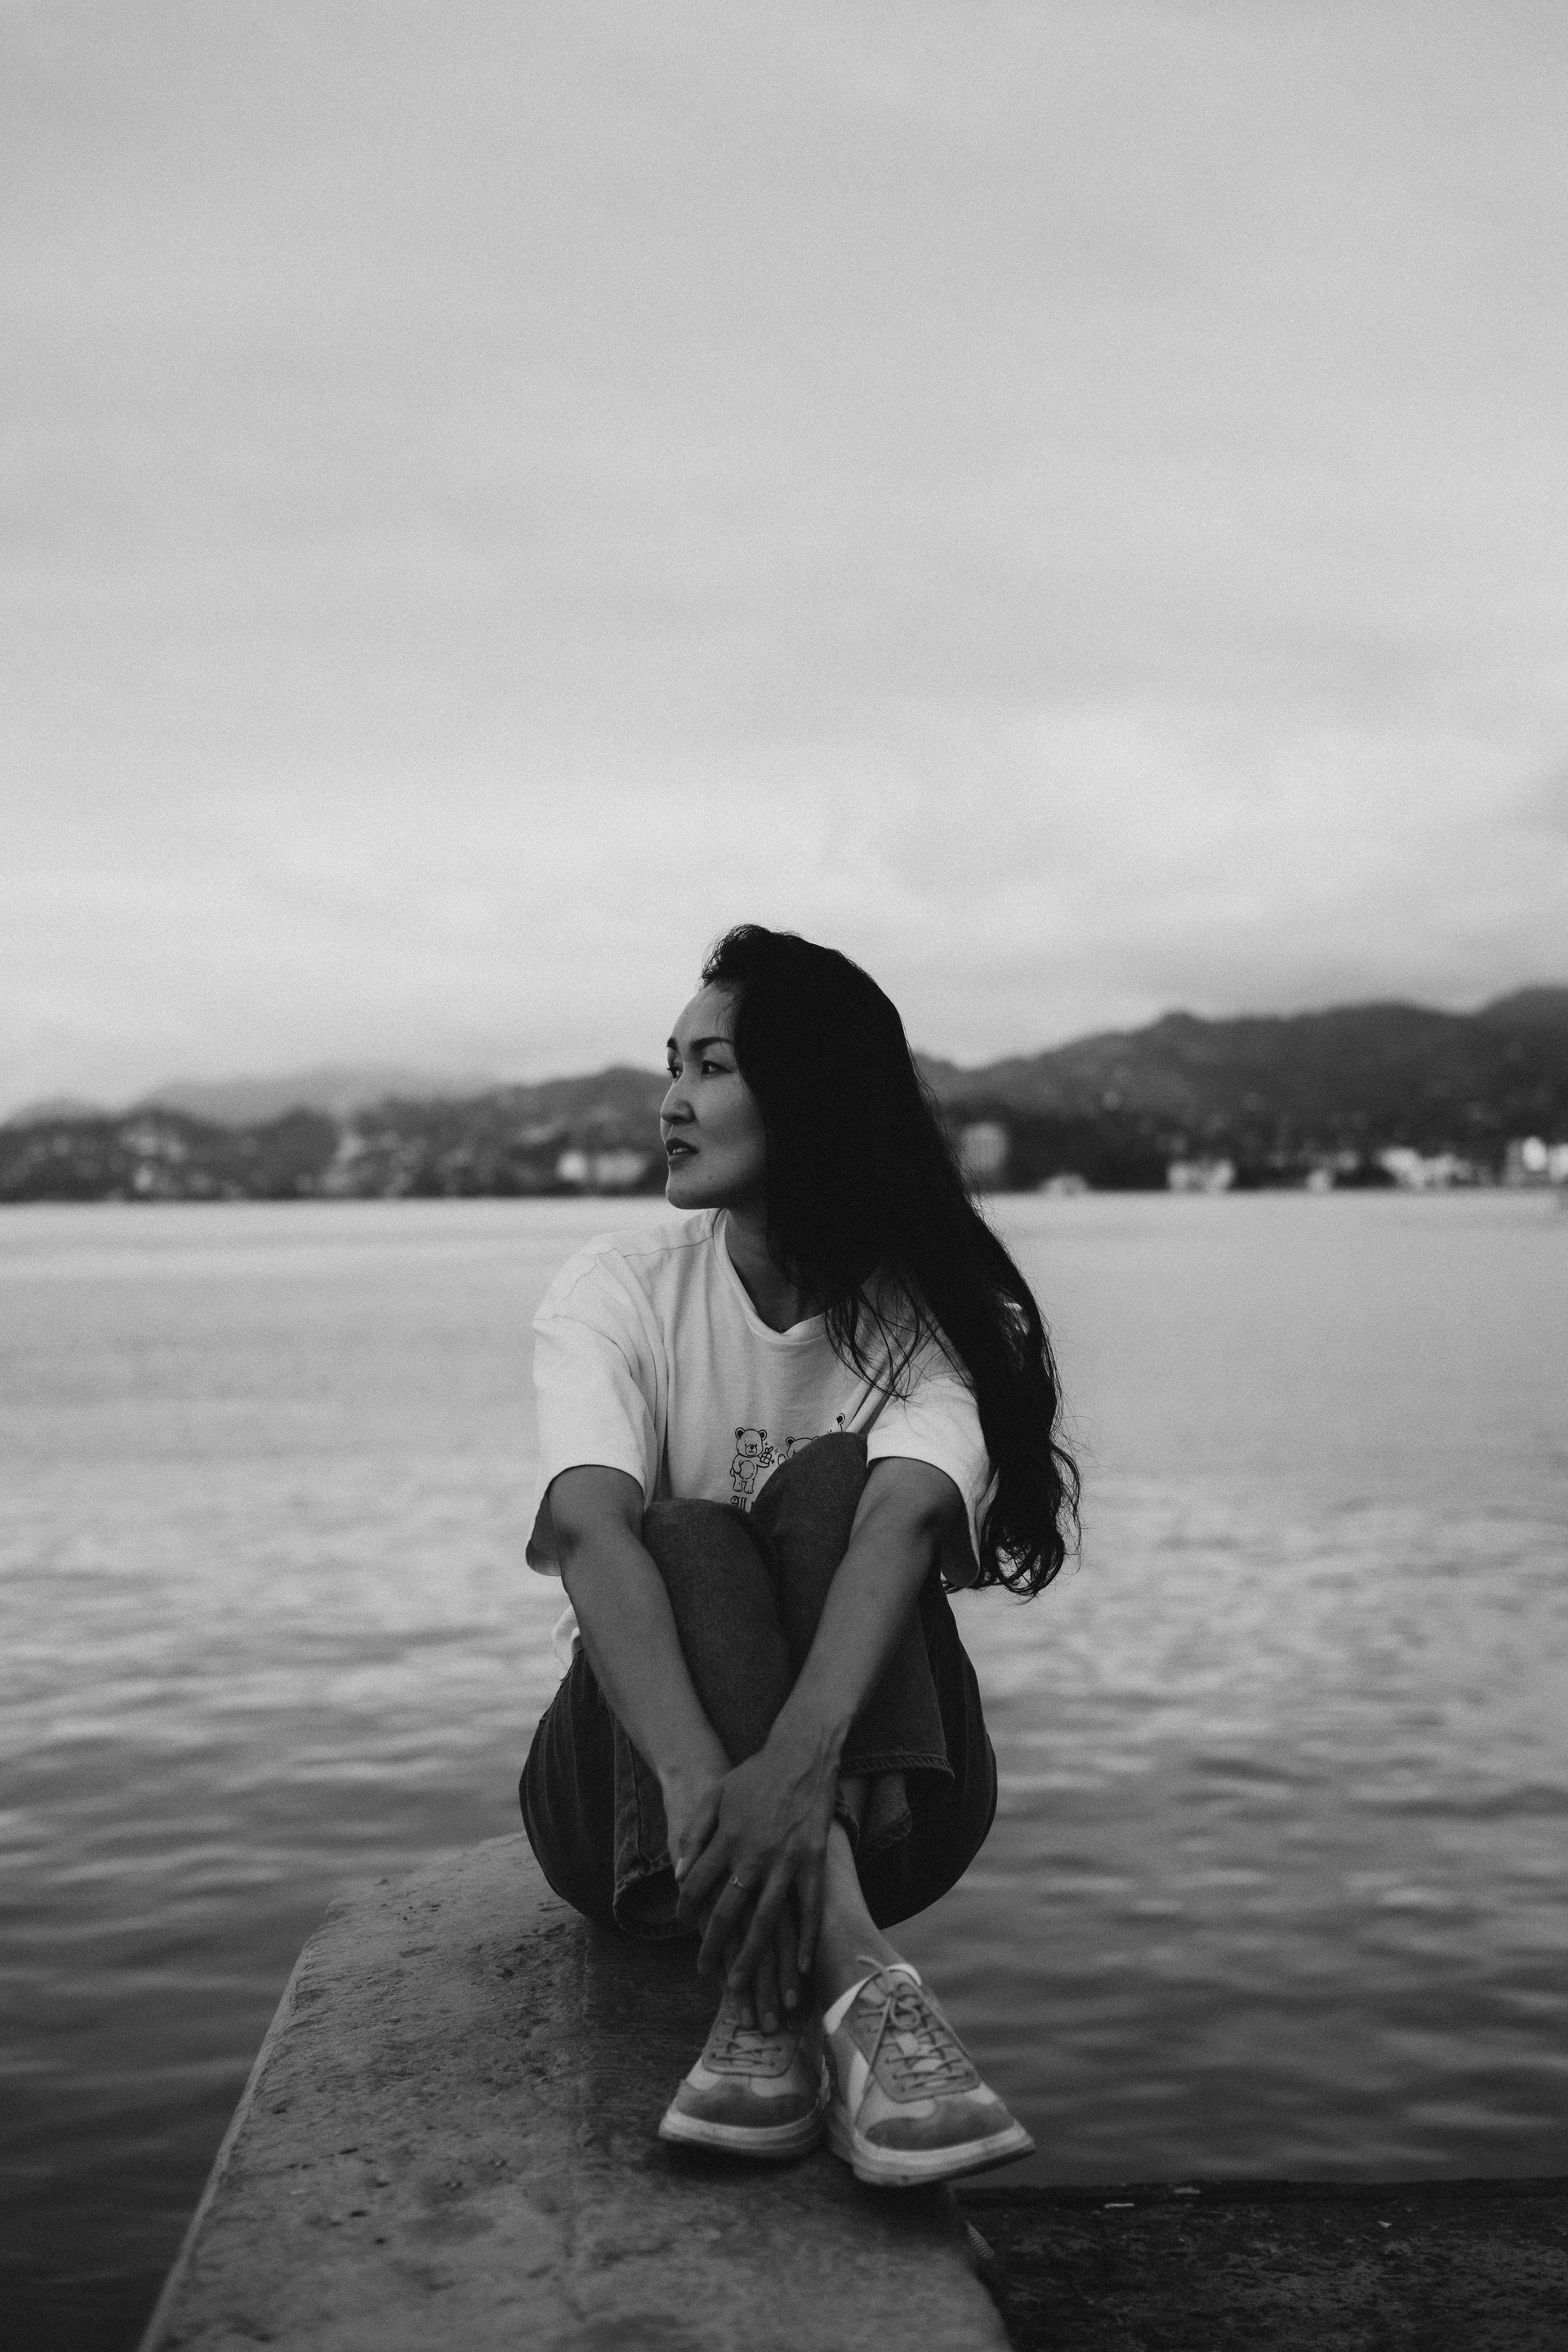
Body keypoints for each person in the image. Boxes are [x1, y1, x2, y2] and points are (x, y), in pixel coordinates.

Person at [519, 925, 1078, 2187]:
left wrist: (792, 1774)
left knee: (837, 1485)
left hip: (903, 1804)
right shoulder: (618, 1289)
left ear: (812, 1094)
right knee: (679, 1531)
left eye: (710, 1067)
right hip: (631, 1816)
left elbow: (898, 1525)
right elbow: (588, 1530)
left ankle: (766, 2026)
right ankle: (858, 1982)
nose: (671, 1101)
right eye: (671, 1067)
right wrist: (705, 1791)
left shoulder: (939, 1314)